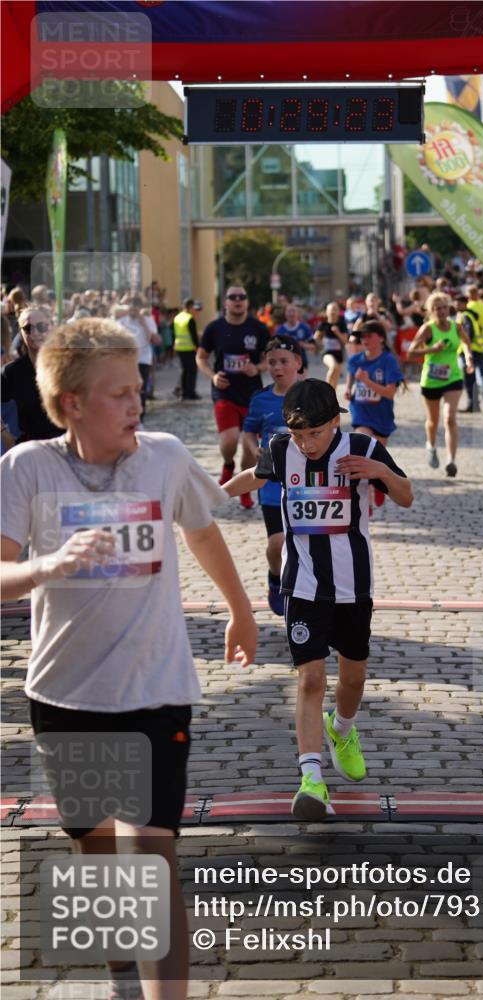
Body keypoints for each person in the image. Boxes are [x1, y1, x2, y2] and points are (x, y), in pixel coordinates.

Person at [0, 318, 257, 1000]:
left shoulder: (166, 455)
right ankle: (119, 948)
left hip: (155, 688)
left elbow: (200, 531)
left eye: (138, 385)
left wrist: (240, 609)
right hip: (65, 694)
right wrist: (49, 565)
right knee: (95, 844)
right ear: (71, 404)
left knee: (151, 851)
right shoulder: (27, 468)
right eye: (118, 393)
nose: (138, 401)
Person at [223, 378, 413, 820]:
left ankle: (342, 728)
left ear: (335, 422)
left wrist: (382, 474)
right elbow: (255, 476)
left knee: (353, 680)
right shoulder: (281, 448)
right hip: (302, 587)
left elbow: (405, 496)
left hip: (353, 588)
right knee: (311, 679)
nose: (307, 444)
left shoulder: (363, 449)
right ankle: (311, 779)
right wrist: (209, 495)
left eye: (316, 433)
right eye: (299, 434)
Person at [242, 334, 304, 616]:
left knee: (304, 543)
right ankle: (275, 578)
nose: (278, 367)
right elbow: (247, 431)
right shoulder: (261, 399)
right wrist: (255, 450)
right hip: (271, 482)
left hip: (306, 481)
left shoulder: (309, 395)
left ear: (298, 363)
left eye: (284, 361)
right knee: (277, 543)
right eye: (272, 363)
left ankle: (305, 594)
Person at [196, 285, 270, 506]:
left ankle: (244, 488)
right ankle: (228, 465)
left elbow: (270, 358)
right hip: (224, 392)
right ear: (225, 302)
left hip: (252, 395)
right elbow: (201, 358)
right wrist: (212, 376)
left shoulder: (258, 328)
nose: (237, 300)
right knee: (229, 440)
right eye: (232, 297)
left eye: (242, 297)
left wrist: (257, 368)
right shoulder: (214, 328)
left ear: (247, 301)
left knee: (249, 448)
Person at [407, 292, 474, 477]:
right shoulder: (427, 329)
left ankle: (451, 461)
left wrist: (468, 358)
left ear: (448, 308)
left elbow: (466, 344)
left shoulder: (457, 327)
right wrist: (432, 349)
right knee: (433, 422)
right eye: (437, 309)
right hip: (431, 380)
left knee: (449, 418)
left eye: (444, 307)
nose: (442, 311)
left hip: (453, 377)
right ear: (431, 311)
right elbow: (411, 352)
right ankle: (431, 446)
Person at [344, 320, 405, 509]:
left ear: (380, 338)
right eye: (362, 337)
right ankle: (366, 500)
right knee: (362, 450)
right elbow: (351, 380)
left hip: (381, 417)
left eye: (369, 335)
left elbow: (389, 392)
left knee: (375, 457)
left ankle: (379, 485)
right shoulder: (355, 360)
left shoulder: (388, 361)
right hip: (361, 414)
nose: (365, 340)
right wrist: (348, 390)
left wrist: (367, 382)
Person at [0, 305, 61, 442]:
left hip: (69, 451)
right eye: (28, 328)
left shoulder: (70, 366)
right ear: (21, 332)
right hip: (30, 451)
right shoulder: (12, 372)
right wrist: (4, 434)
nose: (35, 333)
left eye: (41, 327)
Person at [118, 296, 161, 417]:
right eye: (131, 307)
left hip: (143, 358)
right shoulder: (122, 322)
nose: (133, 311)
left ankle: (140, 414)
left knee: (141, 386)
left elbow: (153, 339)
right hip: (127, 360)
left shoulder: (148, 320)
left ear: (140, 308)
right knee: (127, 387)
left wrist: (143, 323)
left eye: (136, 308)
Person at [454, 292, 483, 412]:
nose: (456, 305)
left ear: (465, 304)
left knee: (469, 380)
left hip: (470, 351)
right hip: (479, 349)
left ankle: (472, 405)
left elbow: (468, 334)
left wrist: (467, 350)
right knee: (479, 378)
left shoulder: (465, 316)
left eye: (458, 303)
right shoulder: (470, 315)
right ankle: (480, 404)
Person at [313, 301, 348, 388]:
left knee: (335, 380)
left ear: (339, 312)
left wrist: (337, 332)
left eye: (335, 310)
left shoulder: (341, 325)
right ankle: (325, 390)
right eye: (331, 310)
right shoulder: (323, 324)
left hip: (339, 354)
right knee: (333, 367)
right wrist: (319, 343)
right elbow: (315, 338)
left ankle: (331, 398)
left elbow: (345, 341)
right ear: (327, 312)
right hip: (327, 352)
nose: (333, 312)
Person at [173, 298, 201, 400]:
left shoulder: (177, 317)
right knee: (192, 371)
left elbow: (174, 333)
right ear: (190, 307)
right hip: (189, 348)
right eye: (193, 307)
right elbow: (193, 336)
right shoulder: (189, 318)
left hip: (179, 347)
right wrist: (198, 348)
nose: (194, 309)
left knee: (184, 370)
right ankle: (191, 393)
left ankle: (184, 392)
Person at [275, 302, 316, 370]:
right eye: (289, 311)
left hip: (301, 363)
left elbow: (313, 346)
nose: (291, 314)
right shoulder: (280, 329)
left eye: (293, 311)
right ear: (285, 314)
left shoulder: (304, 328)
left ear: (298, 313)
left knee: (299, 381)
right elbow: (274, 347)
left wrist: (301, 344)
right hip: (284, 365)